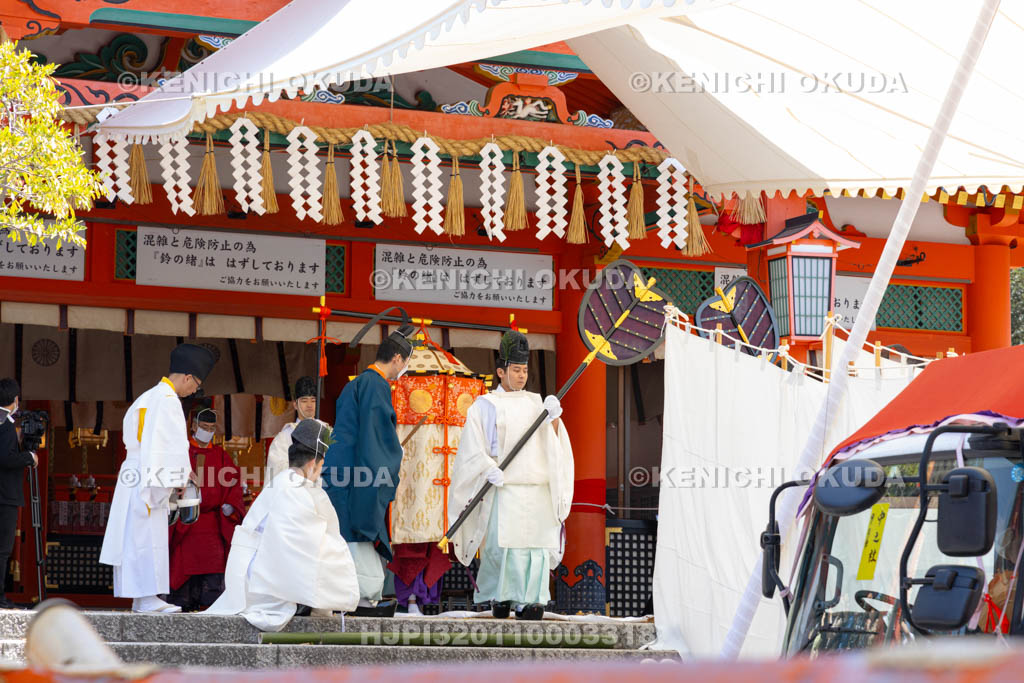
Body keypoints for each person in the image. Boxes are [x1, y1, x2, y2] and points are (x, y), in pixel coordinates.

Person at [448, 330, 573, 620]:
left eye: (525, 370)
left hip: (537, 487)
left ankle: (533, 601)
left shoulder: (537, 403)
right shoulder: (485, 405)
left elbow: (553, 446)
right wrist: (487, 468)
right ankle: (501, 598)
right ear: (501, 371)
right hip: (505, 487)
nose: (521, 376)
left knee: (536, 547)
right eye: (516, 370)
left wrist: (555, 420)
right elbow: (472, 447)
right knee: (504, 547)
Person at [205, 419, 359, 631]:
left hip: (249, 577)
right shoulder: (295, 490)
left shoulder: (281, 482)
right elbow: (308, 547)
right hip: (262, 587)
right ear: (313, 464)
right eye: (321, 466)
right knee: (330, 550)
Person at [99, 343, 216, 613]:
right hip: (148, 474)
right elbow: (165, 444)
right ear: (187, 376)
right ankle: (147, 597)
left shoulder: (146, 397)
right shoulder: (167, 402)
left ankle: (142, 598)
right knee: (147, 538)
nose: (195, 390)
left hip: (134, 472)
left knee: (136, 538)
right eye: (196, 384)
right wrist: (180, 478)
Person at [323, 322, 412, 617]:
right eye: (406, 362)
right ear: (397, 359)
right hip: (360, 474)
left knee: (347, 532)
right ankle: (361, 598)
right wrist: (389, 468)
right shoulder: (376, 385)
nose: (404, 369)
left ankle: (351, 596)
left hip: (343, 472)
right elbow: (376, 440)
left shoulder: (356, 383)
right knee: (359, 532)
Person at [167, 407, 244, 611]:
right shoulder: (182, 452)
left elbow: (234, 482)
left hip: (213, 522)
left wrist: (231, 505)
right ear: (193, 427)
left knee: (214, 564)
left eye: (211, 428)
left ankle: (212, 606)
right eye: (203, 427)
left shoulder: (220, 454)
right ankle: (182, 603)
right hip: (187, 522)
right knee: (184, 563)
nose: (207, 431)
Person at [0, 379, 37, 609]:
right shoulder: (4, 424)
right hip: (4, 496)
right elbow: (5, 458)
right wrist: (29, 458)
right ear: (15, 400)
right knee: (3, 549)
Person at [266, 377, 319, 483]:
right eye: (304, 401)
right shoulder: (283, 438)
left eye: (313, 401)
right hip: (294, 493)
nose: (309, 405)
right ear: (295, 405)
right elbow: (276, 470)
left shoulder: (326, 432)